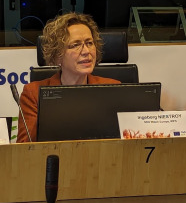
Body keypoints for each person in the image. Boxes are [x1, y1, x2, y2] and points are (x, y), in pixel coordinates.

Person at [17, 12, 119, 142]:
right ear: (57, 55)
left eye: (89, 43)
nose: (86, 51)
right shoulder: (33, 93)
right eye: (75, 45)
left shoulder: (112, 88)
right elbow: (25, 147)